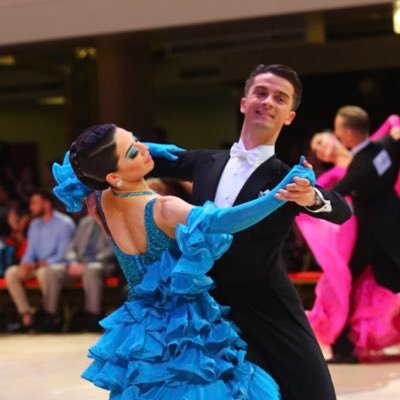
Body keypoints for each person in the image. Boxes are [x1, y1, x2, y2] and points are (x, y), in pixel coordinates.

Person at [52, 123, 318, 399]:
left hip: (142, 330)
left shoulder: (101, 198)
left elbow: (79, 162)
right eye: (133, 152)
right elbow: (225, 221)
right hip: (185, 328)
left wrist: (144, 148)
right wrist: (280, 193)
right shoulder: (163, 208)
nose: (144, 150)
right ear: (114, 176)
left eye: (138, 140)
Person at [149, 64, 352, 400]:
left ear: (289, 116)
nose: (268, 101)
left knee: (313, 391)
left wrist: (311, 196)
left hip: (266, 304)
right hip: (206, 304)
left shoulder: (287, 178)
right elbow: (145, 157)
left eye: (280, 98)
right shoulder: (205, 162)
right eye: (261, 92)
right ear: (244, 102)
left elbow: (341, 211)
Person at [296, 116, 400, 361]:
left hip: (386, 231)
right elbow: (322, 195)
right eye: (317, 149)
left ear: (337, 134)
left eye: (322, 141)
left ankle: (346, 344)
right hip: (353, 239)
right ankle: (343, 345)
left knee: (386, 282)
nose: (322, 148)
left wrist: (396, 129)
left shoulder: (371, 147)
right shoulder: (333, 175)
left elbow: (392, 123)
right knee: (343, 286)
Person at [326, 106, 400, 362]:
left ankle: (343, 348)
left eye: (337, 129)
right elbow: (394, 135)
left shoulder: (362, 163)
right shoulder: (385, 146)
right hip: (392, 228)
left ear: (347, 132)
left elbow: (337, 190)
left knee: (343, 282)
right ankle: (343, 347)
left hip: (373, 235)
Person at [5, 190, 75, 332]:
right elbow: (30, 252)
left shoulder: (64, 223)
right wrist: (25, 263)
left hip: (57, 266)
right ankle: (26, 316)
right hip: (37, 265)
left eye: (35, 203)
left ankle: (50, 315)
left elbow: (63, 254)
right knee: (11, 272)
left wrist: (41, 263)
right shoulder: (35, 224)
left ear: (47, 204)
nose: (31, 207)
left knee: (44, 272)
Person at [58, 214, 117, 332]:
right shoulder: (84, 222)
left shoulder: (113, 221)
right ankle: (50, 317)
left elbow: (113, 249)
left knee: (91, 269)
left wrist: (87, 263)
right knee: (53, 271)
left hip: (102, 263)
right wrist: (72, 262)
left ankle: (93, 317)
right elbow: (71, 247)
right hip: (79, 263)